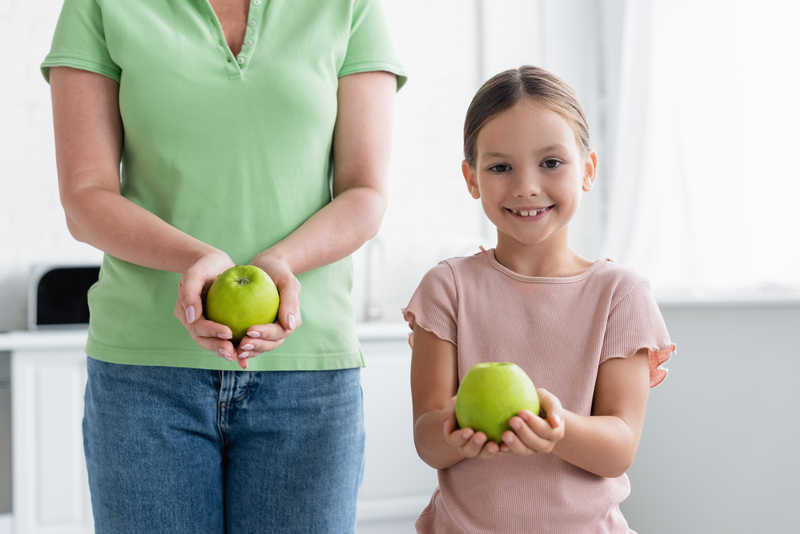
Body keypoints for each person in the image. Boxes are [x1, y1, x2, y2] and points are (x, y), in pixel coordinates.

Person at [41, 0, 406, 531]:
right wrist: (194, 258)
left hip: (307, 374)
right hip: (146, 377)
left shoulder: (349, 7)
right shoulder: (100, 6)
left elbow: (365, 193)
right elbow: (85, 196)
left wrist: (283, 261)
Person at [402, 66, 675, 533]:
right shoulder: (446, 288)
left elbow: (620, 447)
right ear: (471, 179)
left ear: (588, 169)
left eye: (551, 162)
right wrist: (457, 431)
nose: (527, 186)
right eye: (500, 166)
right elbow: (428, 439)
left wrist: (559, 428)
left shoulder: (619, 295)